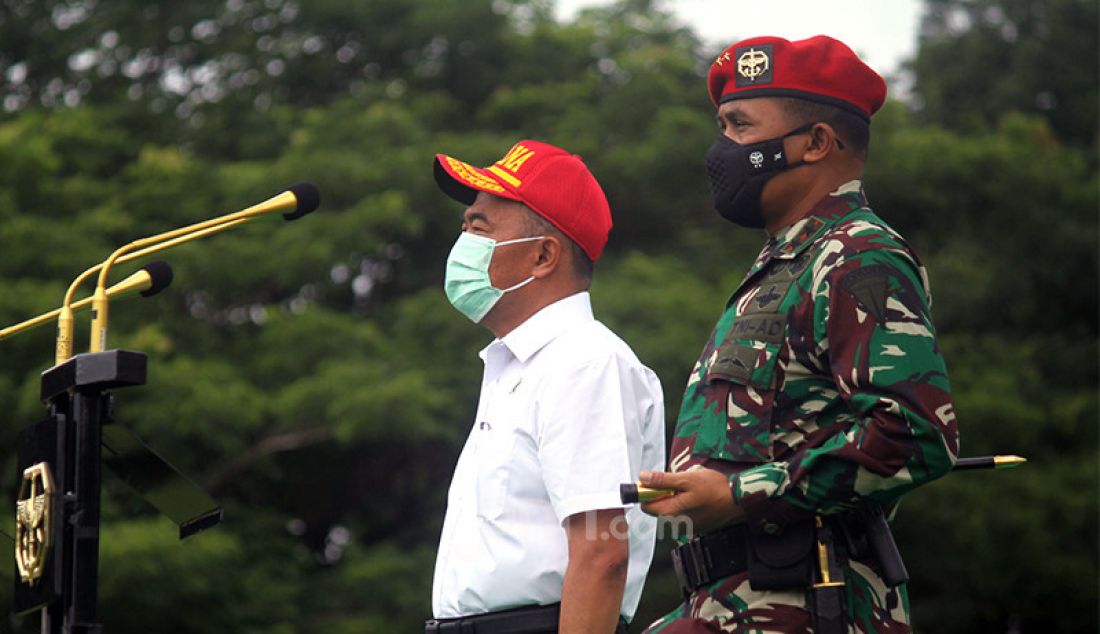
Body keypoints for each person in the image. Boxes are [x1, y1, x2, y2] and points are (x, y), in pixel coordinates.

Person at [636, 36, 960, 633]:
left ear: (815, 143)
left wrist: (739, 493)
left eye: (740, 126)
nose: (721, 148)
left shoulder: (858, 256)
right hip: (731, 603)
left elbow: (917, 434)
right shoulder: (787, 264)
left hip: (810, 602)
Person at [427, 140, 666, 634]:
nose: (464, 239)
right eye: (466, 224)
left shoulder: (584, 361)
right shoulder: (518, 366)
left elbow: (601, 553)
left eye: (479, 227)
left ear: (542, 256)